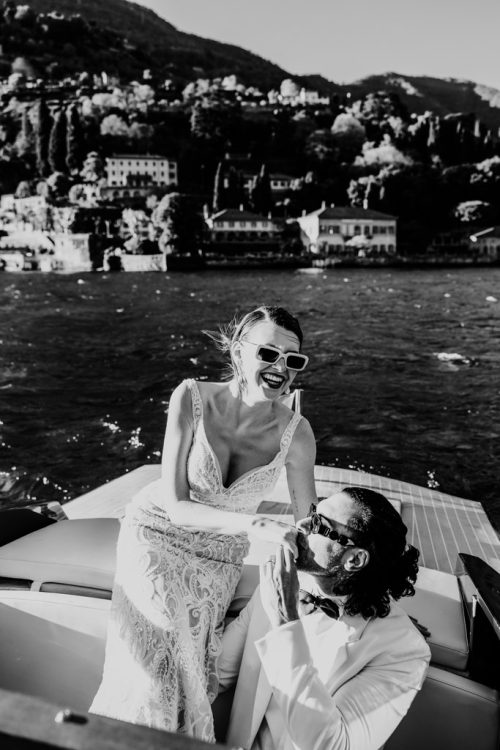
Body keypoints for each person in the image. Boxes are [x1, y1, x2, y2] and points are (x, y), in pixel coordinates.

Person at [90, 306, 317, 741]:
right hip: (155, 531)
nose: (280, 368)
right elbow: (176, 504)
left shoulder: (297, 434)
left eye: (293, 359)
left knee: (187, 662)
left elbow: (310, 521)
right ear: (237, 351)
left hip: (217, 558)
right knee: (158, 656)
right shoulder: (191, 397)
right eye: (269, 353)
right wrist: (254, 525)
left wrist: (362, 590)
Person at [216, 486, 431, 750]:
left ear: (354, 559)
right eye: (312, 512)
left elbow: (331, 746)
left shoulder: (403, 651)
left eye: (320, 524)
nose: (302, 524)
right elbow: (215, 674)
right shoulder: (277, 587)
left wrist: (286, 624)